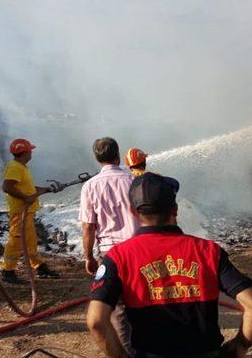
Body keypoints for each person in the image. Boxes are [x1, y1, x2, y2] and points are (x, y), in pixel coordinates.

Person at [87, 173, 252, 358]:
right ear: (175, 209)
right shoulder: (209, 251)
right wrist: (240, 345)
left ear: (133, 212)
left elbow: (96, 321)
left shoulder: (118, 257)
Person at [80, 137, 140, 354]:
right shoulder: (134, 181)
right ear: (117, 154)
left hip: (111, 254)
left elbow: (88, 227)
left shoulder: (90, 187)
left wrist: (88, 256)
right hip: (138, 249)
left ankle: (127, 351)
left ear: (97, 159)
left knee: (118, 308)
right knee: (144, 297)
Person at [1, 138, 62, 283]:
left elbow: (30, 190)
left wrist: (47, 189)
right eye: (30, 151)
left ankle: (39, 267)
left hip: (26, 212)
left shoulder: (22, 167)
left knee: (30, 242)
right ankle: (7, 271)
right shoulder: (14, 167)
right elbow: (7, 187)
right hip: (19, 212)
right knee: (15, 241)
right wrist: (24, 198)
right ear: (25, 152)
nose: (31, 153)